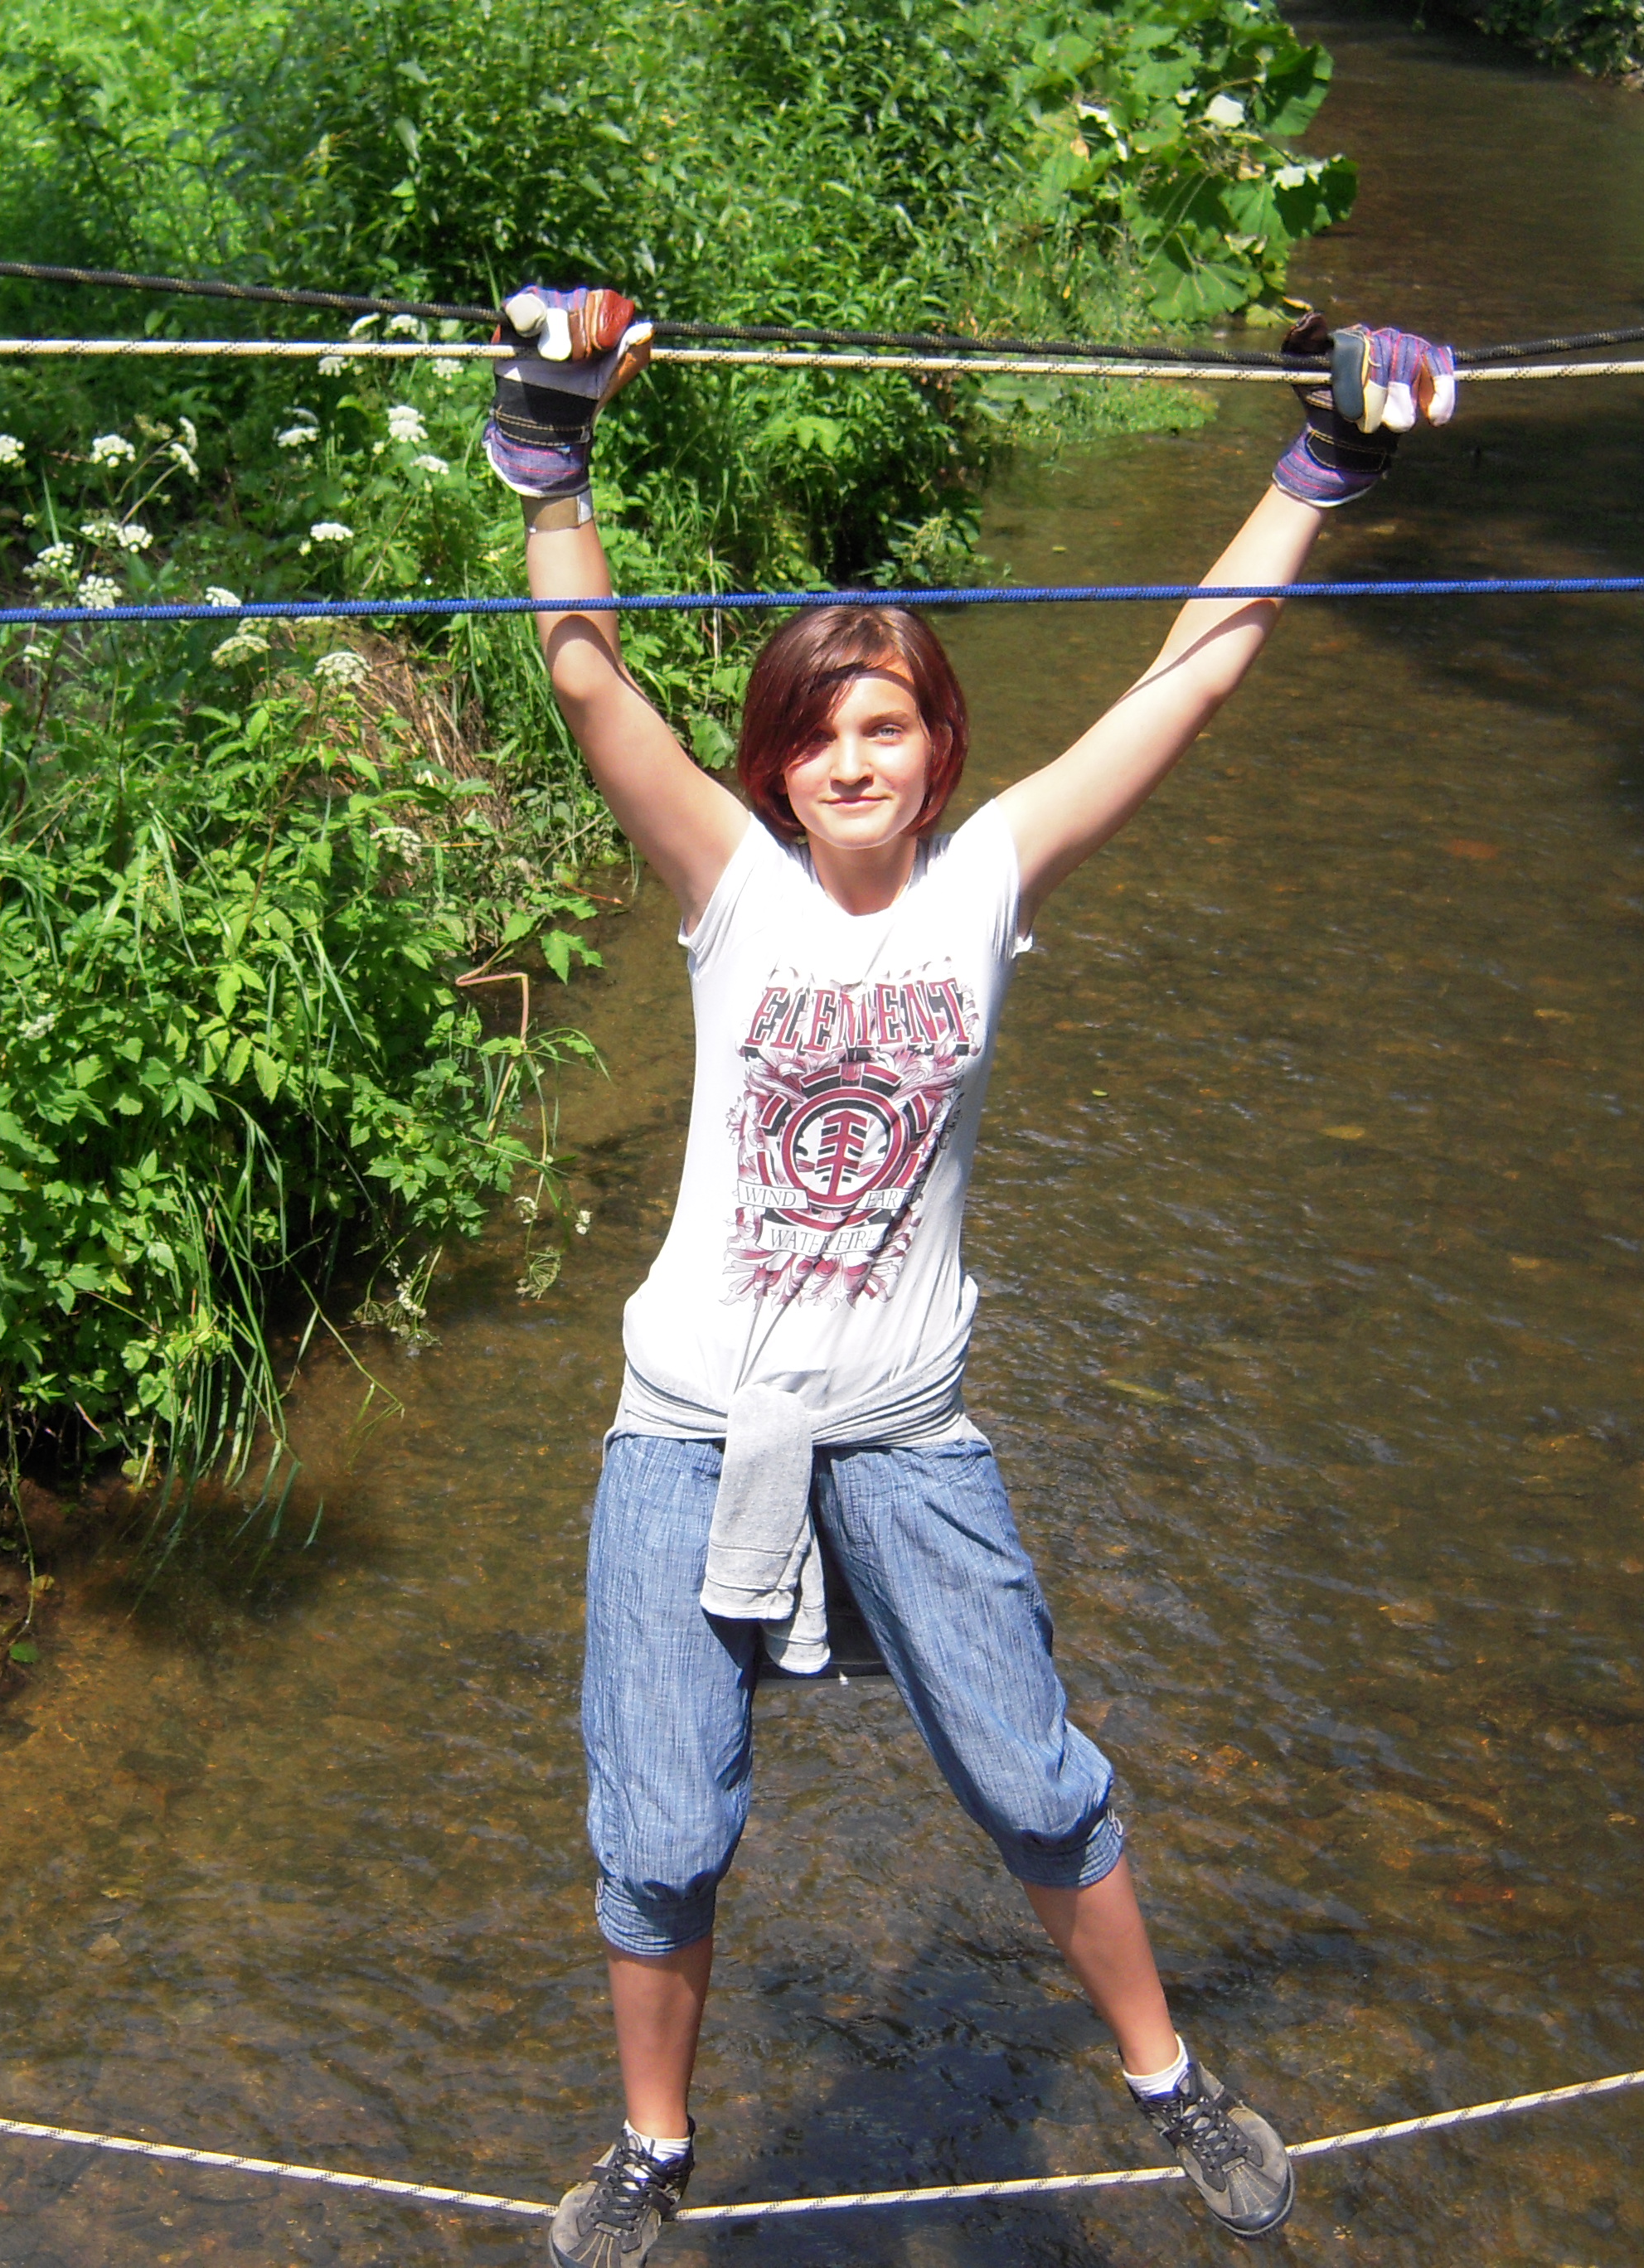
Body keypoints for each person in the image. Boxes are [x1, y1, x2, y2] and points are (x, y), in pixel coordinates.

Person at [483, 284, 1458, 2265]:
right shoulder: (730, 890)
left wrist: (1321, 465)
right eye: (819, 734)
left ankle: (1169, 2083)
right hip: (688, 1429)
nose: (855, 761)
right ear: (775, 764)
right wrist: (549, 455)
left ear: (938, 749)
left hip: (904, 1431)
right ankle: (654, 2148)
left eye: (889, 725)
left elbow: (1188, 682)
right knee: (660, 1832)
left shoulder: (990, 880)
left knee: (1034, 1782)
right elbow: (590, 687)